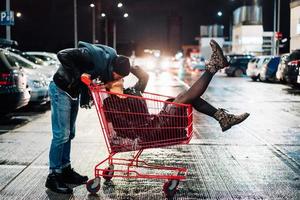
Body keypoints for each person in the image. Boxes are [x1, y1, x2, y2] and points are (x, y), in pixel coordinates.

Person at [103, 40, 250, 148]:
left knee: (183, 97)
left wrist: (123, 65)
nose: (120, 79)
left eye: (121, 77)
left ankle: (223, 116)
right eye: (114, 78)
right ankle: (214, 69)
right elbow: (122, 129)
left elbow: (144, 76)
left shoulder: (133, 91)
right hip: (146, 134)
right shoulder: (110, 103)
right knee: (184, 98)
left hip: (155, 125)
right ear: (106, 84)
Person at [46, 41, 131, 194]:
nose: (113, 78)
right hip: (60, 88)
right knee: (61, 135)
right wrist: (80, 76)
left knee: (69, 134)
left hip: (72, 92)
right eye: (115, 75)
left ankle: (64, 169)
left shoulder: (108, 66)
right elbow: (62, 54)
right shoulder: (92, 57)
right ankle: (53, 175)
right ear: (112, 67)